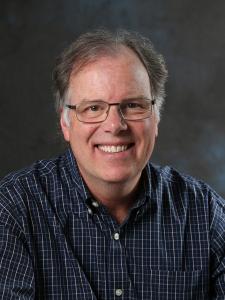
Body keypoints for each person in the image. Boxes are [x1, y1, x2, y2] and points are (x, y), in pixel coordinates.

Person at [0, 29, 224, 300]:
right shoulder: (14, 210)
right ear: (65, 123)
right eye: (93, 108)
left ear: (156, 118)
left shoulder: (204, 214)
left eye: (133, 105)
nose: (115, 125)